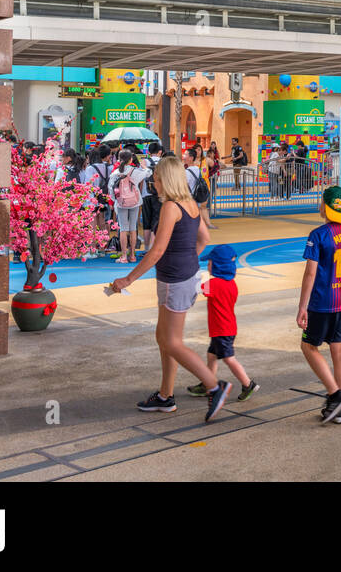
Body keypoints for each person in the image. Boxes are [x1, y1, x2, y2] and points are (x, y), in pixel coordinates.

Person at [111, 157, 231, 422]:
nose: (153, 183)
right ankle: (166, 396)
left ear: (167, 179)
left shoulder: (170, 207)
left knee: (171, 341)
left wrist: (128, 279)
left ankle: (214, 385)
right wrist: (189, 257)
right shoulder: (191, 204)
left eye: (156, 178)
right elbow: (204, 238)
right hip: (184, 276)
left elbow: (157, 250)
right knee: (163, 337)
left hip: (174, 280)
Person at [297, 185, 341, 424]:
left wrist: (303, 305)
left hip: (323, 302)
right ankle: (338, 408)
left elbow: (310, 273)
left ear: (326, 206)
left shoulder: (318, 235)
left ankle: (336, 394)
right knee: (338, 350)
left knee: (309, 347)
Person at [186, 244, 259, 402]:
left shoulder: (215, 284)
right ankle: (207, 383)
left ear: (217, 265)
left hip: (221, 330)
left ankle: (248, 384)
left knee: (228, 358)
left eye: (210, 262)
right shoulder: (231, 284)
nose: (208, 265)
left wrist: (195, 275)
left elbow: (197, 288)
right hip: (227, 328)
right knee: (211, 355)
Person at [108, 150, 149, 264]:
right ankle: (132, 256)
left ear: (119, 159)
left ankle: (124, 256)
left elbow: (111, 190)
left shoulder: (115, 173)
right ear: (131, 159)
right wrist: (144, 167)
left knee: (123, 229)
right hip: (135, 202)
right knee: (133, 229)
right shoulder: (135, 171)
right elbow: (148, 173)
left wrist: (116, 200)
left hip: (121, 203)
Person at [79, 145, 112, 232]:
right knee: (102, 222)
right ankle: (103, 244)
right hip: (103, 198)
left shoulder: (90, 168)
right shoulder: (107, 167)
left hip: (92, 199)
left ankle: (92, 245)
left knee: (92, 224)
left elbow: (88, 185)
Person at [184, 145, 213, 231]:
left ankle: (205, 224)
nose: (197, 151)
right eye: (196, 150)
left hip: (202, 188)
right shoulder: (190, 167)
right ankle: (202, 225)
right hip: (195, 190)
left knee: (202, 207)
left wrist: (209, 175)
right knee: (199, 208)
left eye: (199, 150)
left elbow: (215, 166)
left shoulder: (205, 160)